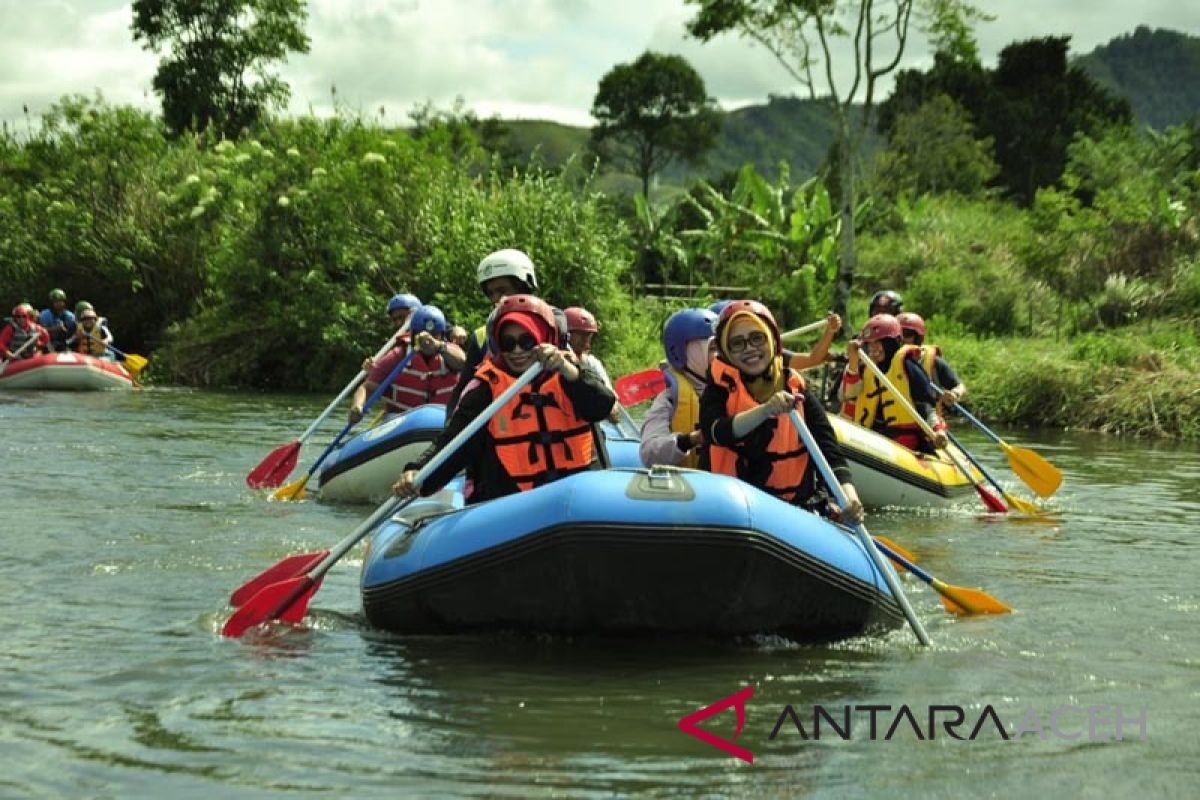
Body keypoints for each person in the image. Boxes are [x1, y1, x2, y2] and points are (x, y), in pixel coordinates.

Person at [393, 294, 615, 505]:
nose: (517, 350)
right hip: (511, 510)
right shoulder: (485, 388)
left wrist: (569, 371)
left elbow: (602, 406)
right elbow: (454, 442)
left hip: (576, 502)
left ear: (544, 337)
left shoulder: (571, 372)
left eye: (527, 341)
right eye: (508, 342)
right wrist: (418, 469)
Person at [700, 300, 864, 522]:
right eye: (737, 343)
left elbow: (829, 450)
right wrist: (766, 410)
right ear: (726, 351)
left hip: (796, 511)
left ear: (771, 340)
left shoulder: (797, 390)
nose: (749, 348)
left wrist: (848, 494)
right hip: (735, 512)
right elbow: (716, 432)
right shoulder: (717, 392)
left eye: (757, 338)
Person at [841, 314, 948, 454]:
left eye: (879, 342)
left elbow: (926, 406)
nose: (873, 348)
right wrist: (853, 363)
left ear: (891, 343)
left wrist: (937, 430)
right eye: (870, 343)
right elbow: (850, 395)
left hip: (903, 439)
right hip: (869, 435)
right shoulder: (864, 367)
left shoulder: (908, 365)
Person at [349, 305, 465, 421]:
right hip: (401, 420)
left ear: (442, 336)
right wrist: (357, 406)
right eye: (421, 335)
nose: (427, 341)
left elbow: (462, 362)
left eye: (434, 335)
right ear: (413, 335)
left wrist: (437, 345)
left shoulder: (450, 352)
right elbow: (367, 387)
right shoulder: (397, 356)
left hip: (442, 419)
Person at [638, 307, 717, 469]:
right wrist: (691, 440)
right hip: (689, 488)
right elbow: (649, 453)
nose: (720, 356)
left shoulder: (733, 389)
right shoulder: (669, 399)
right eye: (712, 348)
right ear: (685, 353)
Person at [896, 312, 966, 418]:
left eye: (907, 334)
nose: (902, 339)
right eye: (897, 334)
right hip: (896, 422)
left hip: (929, 421)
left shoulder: (935, 362)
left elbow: (961, 387)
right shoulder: (884, 360)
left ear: (918, 338)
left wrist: (954, 394)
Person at [363, 293, 422, 371]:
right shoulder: (396, 348)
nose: (398, 323)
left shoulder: (432, 341)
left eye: (402, 317)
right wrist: (373, 370)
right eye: (395, 319)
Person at [563, 306, 612, 388]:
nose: (585, 339)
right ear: (566, 333)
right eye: (580, 334)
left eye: (588, 334)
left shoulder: (592, 363)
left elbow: (608, 393)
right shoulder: (553, 360)